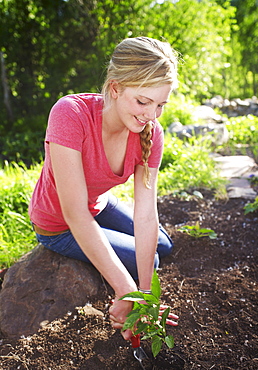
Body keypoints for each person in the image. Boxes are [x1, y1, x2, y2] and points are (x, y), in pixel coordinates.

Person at [29, 36, 179, 340]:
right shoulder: (70, 114)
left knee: (163, 245)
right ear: (115, 87)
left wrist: (146, 297)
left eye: (160, 105)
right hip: (59, 224)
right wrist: (126, 288)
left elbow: (147, 214)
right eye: (143, 101)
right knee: (149, 259)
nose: (151, 116)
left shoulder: (150, 131)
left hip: (98, 204)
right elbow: (74, 213)